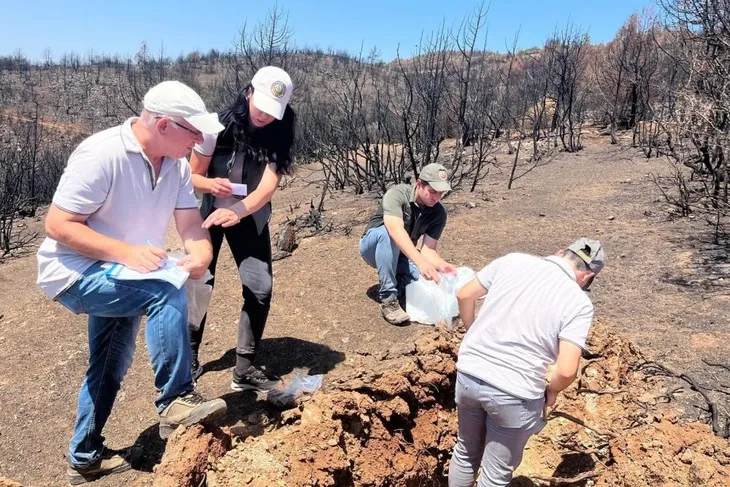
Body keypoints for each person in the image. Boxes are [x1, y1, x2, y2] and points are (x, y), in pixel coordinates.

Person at [36, 81, 228, 485]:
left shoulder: (175, 166)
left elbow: (191, 223)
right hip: (75, 272)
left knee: (109, 362)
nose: (198, 143)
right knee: (165, 289)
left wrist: (202, 255)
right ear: (163, 125)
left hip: (127, 275)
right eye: (192, 133)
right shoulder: (102, 154)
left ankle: (84, 456)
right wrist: (126, 253)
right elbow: (57, 225)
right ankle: (175, 400)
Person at [447, 238, 606, 487]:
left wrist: (472, 332)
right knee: (495, 474)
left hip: (469, 374)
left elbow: (464, 293)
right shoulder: (578, 302)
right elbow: (566, 370)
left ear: (559, 253)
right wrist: (551, 391)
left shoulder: (512, 260)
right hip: (515, 392)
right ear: (586, 277)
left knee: (465, 452)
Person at [187, 66, 296, 392]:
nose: (264, 115)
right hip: (207, 212)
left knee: (260, 287)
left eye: (272, 111)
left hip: (248, 215)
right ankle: (189, 357)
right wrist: (211, 185)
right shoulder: (215, 127)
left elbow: (268, 185)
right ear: (248, 93)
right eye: (260, 106)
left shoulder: (280, 130)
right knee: (200, 282)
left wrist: (237, 210)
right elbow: (191, 176)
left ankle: (245, 368)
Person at [359, 163, 456, 325]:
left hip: (403, 253)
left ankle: (400, 279)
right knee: (388, 234)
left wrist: (442, 265)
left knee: (422, 281)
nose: (436, 198)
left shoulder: (439, 212)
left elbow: (428, 250)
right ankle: (389, 299)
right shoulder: (397, 194)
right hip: (373, 246)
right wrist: (420, 262)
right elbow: (395, 230)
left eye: (441, 193)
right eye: (432, 192)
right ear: (419, 184)